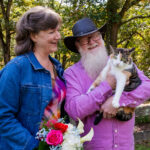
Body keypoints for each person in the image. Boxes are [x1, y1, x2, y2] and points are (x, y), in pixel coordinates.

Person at [63, 17, 150, 150]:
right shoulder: (71, 73)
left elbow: (147, 87)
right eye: (85, 40)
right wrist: (108, 85)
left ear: (102, 38)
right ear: (77, 45)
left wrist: (119, 101)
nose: (92, 42)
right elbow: (74, 110)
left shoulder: (124, 62)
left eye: (95, 36)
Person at [0, 6, 66, 150]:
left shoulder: (58, 68)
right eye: (51, 32)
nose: (58, 36)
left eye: (58, 31)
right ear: (33, 35)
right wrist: (34, 146)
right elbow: (3, 117)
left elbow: (58, 112)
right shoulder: (16, 68)